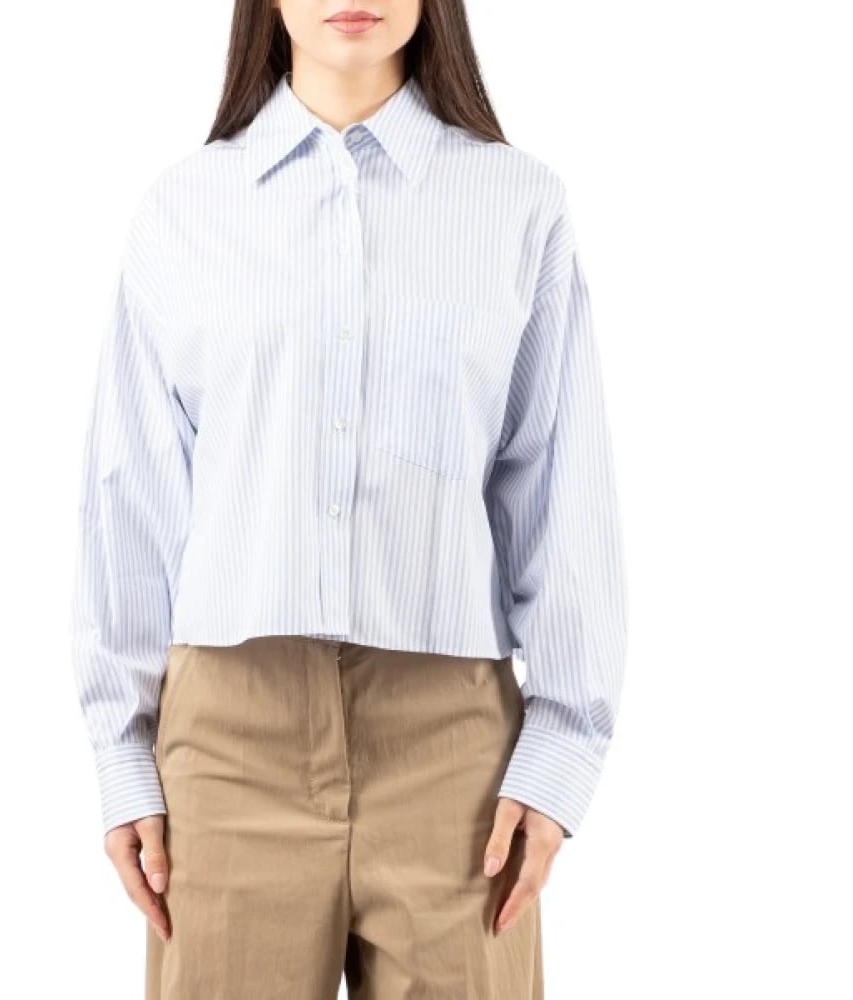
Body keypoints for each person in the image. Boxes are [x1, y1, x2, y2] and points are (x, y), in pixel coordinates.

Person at [70, 2, 628, 997]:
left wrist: (561, 752)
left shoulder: (516, 203)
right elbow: (132, 500)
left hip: (453, 749)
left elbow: (557, 482)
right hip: (228, 740)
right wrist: (122, 755)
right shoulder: (184, 208)